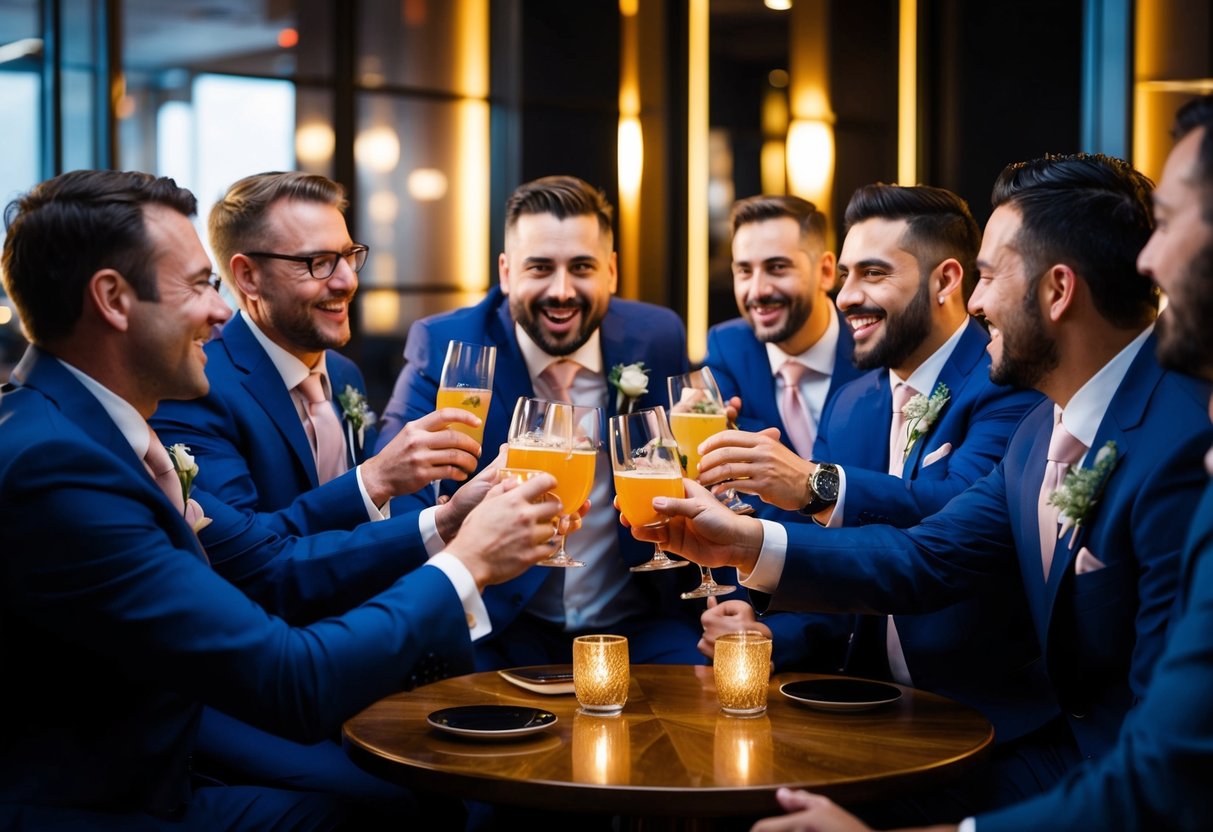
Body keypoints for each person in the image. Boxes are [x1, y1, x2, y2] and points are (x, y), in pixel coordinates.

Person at [629, 152, 1213, 818]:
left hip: (1091, 772)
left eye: (988, 276)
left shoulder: (1184, 439)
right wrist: (741, 542)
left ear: (1057, 291)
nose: (977, 303)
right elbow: (926, 556)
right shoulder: (1038, 433)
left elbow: (1168, 764)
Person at [0, 169, 562, 830]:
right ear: (113, 300)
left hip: (156, 748)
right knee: (390, 812)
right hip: (101, 798)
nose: (219, 313)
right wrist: (468, 560)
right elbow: (286, 660)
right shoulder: (57, 466)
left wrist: (447, 517)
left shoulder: (78, 428)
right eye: (199, 286)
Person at [698, 185, 1051, 760]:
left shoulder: (1007, 382)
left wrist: (815, 485)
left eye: (874, 274)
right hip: (861, 705)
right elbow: (832, 557)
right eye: (846, 276)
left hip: (980, 717)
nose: (846, 297)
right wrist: (771, 634)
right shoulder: (852, 400)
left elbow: (953, 520)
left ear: (946, 280)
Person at [376, 174, 704, 669]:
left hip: (639, 620)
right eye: (540, 268)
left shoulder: (657, 335)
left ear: (612, 272)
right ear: (506, 272)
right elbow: (399, 489)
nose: (562, 291)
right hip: (501, 622)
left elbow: (686, 463)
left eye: (582, 267)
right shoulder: (449, 346)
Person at [151, 171, 481, 527]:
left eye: (349, 256)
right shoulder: (198, 388)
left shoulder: (342, 371)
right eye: (319, 263)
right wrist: (375, 478)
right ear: (249, 276)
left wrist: (442, 517)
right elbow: (244, 547)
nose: (348, 281)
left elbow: (369, 520)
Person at [703, 195, 861, 464]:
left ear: (825, 272)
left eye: (777, 268)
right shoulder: (727, 347)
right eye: (744, 271)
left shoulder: (873, 347)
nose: (757, 291)